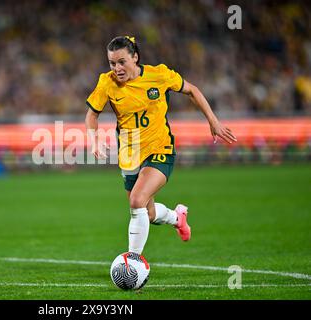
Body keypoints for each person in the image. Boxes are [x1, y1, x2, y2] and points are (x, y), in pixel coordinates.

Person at [85, 36, 237, 256]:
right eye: (112, 63)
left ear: (135, 57)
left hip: (160, 149)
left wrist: (213, 121)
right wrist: (95, 139)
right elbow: (91, 115)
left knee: (137, 201)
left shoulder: (159, 75)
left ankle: (133, 262)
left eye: (121, 62)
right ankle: (178, 218)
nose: (116, 68)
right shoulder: (106, 82)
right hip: (130, 154)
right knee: (147, 213)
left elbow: (192, 90)